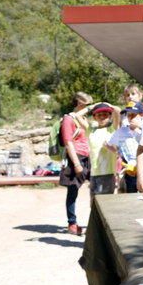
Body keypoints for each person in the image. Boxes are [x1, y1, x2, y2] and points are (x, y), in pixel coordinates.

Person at [59, 92, 93, 235]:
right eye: (87, 104)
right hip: (76, 157)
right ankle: (72, 223)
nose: (89, 107)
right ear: (80, 103)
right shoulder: (68, 119)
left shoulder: (83, 118)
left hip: (89, 157)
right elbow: (68, 142)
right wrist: (77, 163)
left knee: (97, 188)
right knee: (73, 191)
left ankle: (95, 223)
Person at [107, 101, 143, 193]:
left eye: (133, 115)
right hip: (129, 170)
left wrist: (139, 128)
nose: (130, 118)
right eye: (128, 115)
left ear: (142, 115)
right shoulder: (121, 131)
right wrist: (117, 152)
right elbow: (112, 146)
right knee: (131, 195)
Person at [87, 103, 120, 198]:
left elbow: (117, 110)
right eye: (99, 115)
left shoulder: (112, 128)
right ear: (94, 117)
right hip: (94, 173)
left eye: (105, 114)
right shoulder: (91, 130)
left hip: (107, 173)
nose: (102, 117)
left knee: (104, 204)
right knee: (93, 204)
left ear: (110, 116)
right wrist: (93, 106)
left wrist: (108, 105)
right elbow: (76, 116)